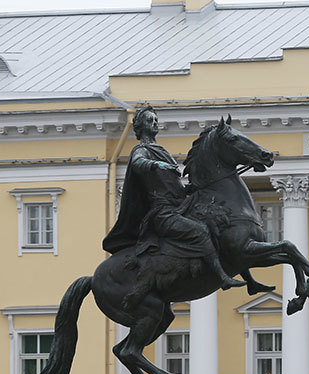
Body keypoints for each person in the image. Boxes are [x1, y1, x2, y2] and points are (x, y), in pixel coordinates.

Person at [102, 105, 244, 291]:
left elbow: (171, 185)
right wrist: (156, 164)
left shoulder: (162, 150)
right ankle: (222, 277)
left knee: (214, 223)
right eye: (149, 120)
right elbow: (138, 163)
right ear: (140, 126)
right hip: (163, 213)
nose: (154, 123)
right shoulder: (141, 149)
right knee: (200, 230)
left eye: (156, 120)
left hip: (179, 206)